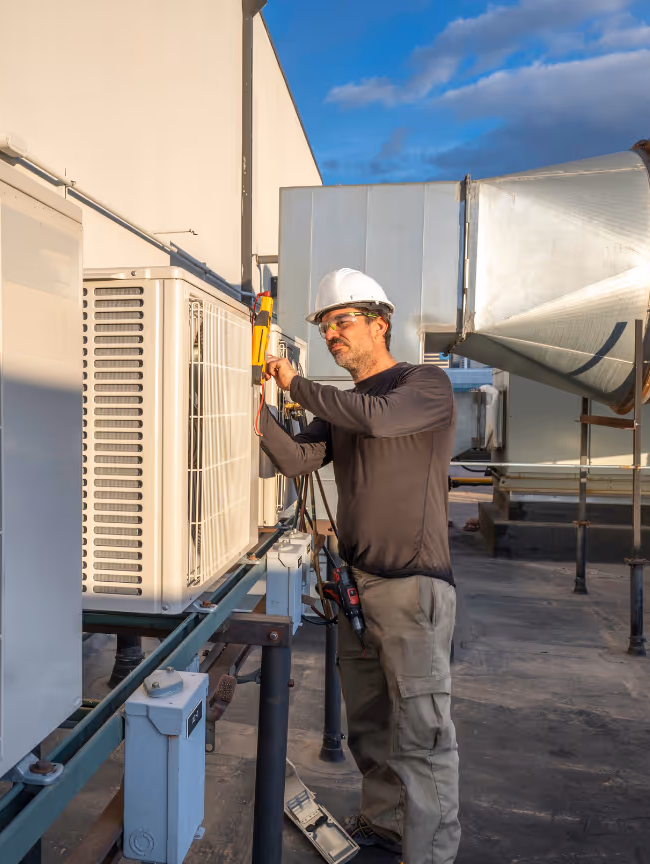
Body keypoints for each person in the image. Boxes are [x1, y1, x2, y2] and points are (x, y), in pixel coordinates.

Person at [258, 268, 460, 864]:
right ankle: (385, 824)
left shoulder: (423, 385)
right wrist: (253, 406)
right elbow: (297, 460)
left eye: (343, 321)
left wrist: (296, 384)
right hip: (356, 586)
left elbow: (376, 419)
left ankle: (432, 853)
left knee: (422, 734)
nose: (333, 335)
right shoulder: (341, 408)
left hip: (412, 590)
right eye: (325, 326)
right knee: (370, 726)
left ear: (381, 323)